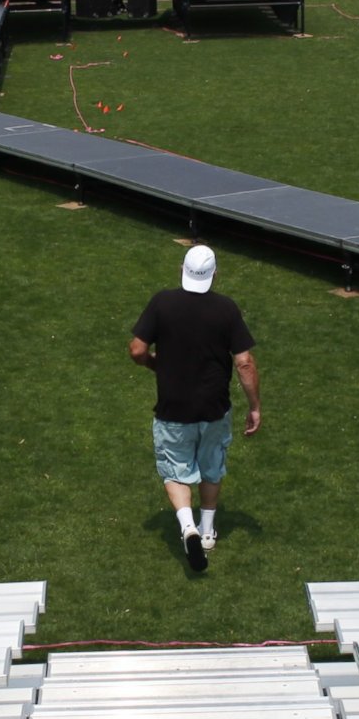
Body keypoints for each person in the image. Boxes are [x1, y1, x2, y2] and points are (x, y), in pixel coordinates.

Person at [128, 245, 261, 573]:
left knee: (176, 468)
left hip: (173, 407)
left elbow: (136, 350)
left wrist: (154, 365)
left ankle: (186, 525)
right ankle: (206, 532)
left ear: (182, 269)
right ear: (215, 274)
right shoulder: (227, 309)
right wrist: (254, 406)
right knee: (211, 463)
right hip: (215, 407)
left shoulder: (162, 303)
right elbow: (244, 363)